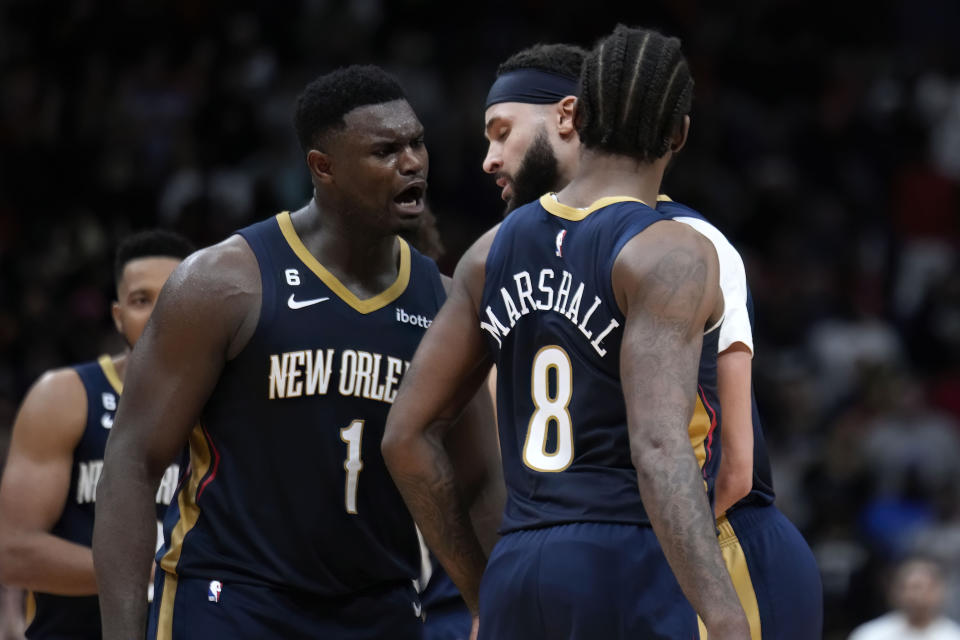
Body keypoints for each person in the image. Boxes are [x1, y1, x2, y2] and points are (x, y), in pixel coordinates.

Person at [92, 64, 498, 640]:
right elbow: (131, 464)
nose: (412, 163)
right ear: (322, 167)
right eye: (386, 150)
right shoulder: (224, 281)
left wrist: (492, 603)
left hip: (379, 605)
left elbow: (479, 476)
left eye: (417, 143)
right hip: (234, 599)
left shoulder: (439, 297)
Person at [384, 25, 750, 640]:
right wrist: (725, 613)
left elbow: (405, 436)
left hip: (519, 563)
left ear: (580, 117)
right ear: (680, 134)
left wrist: (480, 588)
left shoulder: (487, 252)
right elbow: (659, 449)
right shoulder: (670, 250)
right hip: (624, 558)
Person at [480, 40, 823, 639]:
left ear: (570, 118)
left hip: (719, 544)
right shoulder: (512, 250)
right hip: (597, 557)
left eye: (502, 131)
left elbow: (734, 468)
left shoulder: (686, 241)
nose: (489, 157)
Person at [0, 229, 195, 639]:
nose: (158, 313)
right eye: (141, 300)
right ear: (117, 314)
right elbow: (12, 551)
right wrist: (149, 572)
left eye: (173, 298)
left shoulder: (226, 405)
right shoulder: (64, 396)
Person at [848, 556, 960, 640]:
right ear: (893, 592)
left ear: (940, 590)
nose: (915, 596)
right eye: (907, 588)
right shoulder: (870, 634)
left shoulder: (953, 635)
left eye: (922, 587)